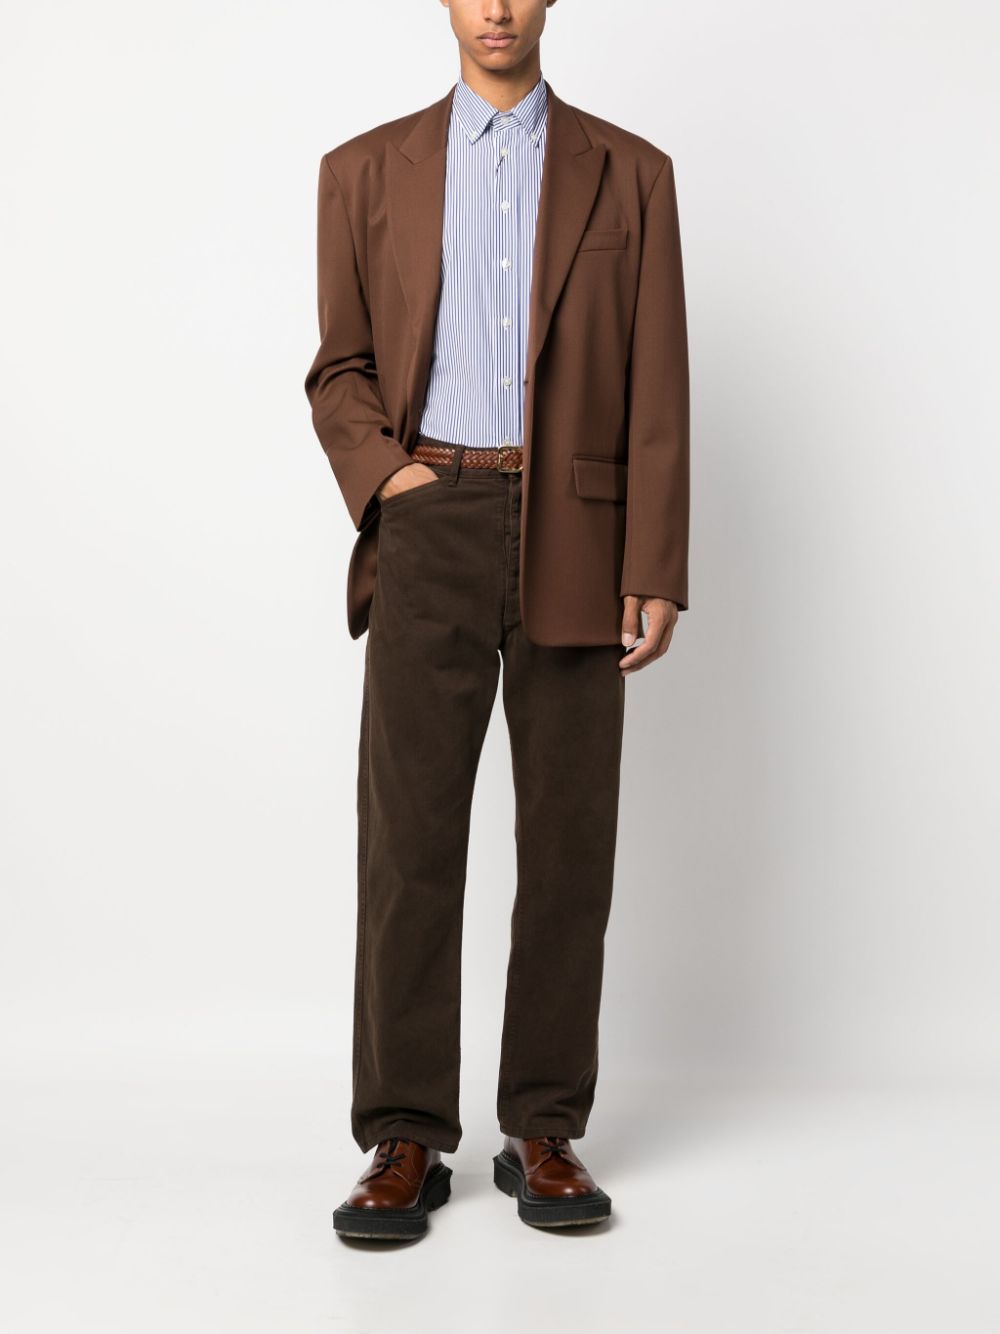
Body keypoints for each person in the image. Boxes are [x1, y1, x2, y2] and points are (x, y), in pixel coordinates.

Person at [304, 0, 689, 1240]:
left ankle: (545, 1126)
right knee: (408, 842)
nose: (499, 7)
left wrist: (654, 561)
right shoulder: (364, 171)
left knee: (568, 842)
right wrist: (394, 483)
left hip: (578, 525)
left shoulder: (632, 173)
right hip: (432, 520)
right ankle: (403, 1134)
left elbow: (657, 380)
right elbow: (340, 369)